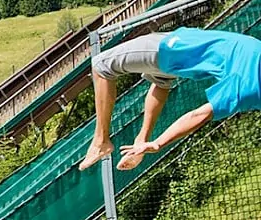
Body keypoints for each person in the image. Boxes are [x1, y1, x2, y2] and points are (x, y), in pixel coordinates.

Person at [79, 28, 261, 171]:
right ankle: (136, 139)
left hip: (174, 49)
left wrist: (158, 143)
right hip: (177, 52)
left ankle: (101, 141)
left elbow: (199, 115)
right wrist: (157, 143)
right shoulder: (250, 88)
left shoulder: (249, 83)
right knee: (158, 82)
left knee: (101, 66)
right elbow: (199, 115)